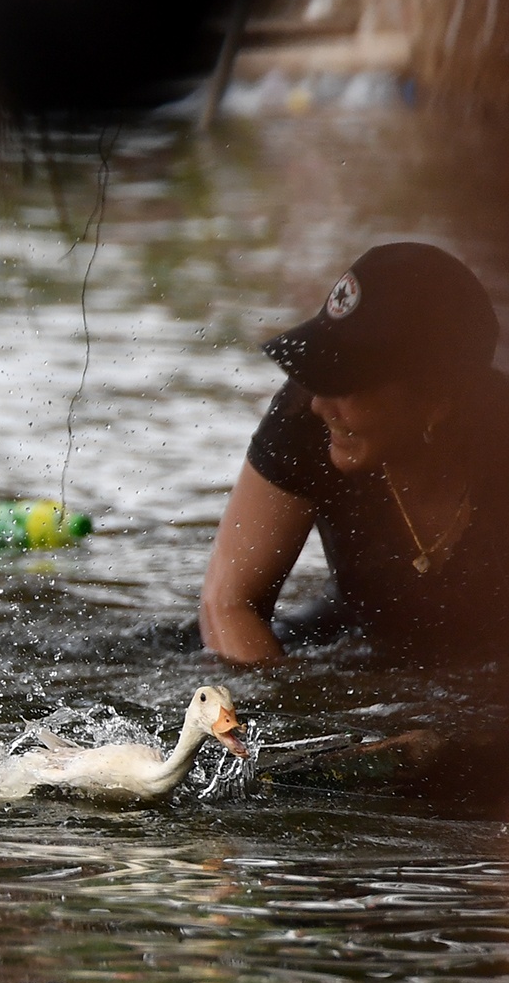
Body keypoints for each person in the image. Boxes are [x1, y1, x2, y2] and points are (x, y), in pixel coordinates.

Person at [200, 242, 508, 666]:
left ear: (436, 401)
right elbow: (228, 603)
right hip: (356, 629)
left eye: (345, 384)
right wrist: (278, 700)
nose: (319, 405)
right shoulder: (303, 419)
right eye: (317, 377)